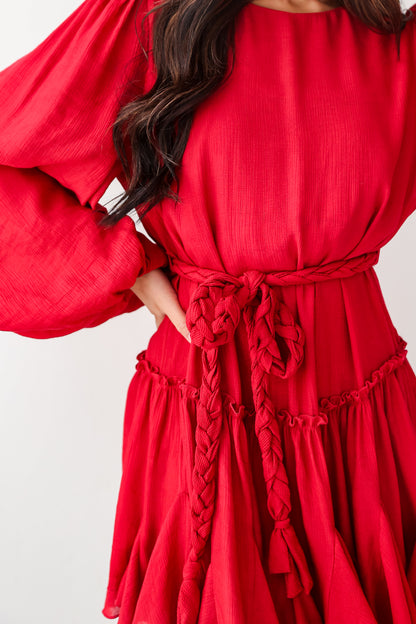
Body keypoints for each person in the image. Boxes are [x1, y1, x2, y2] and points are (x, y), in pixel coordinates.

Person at [1, 0, 416, 622]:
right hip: (205, 395)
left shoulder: (396, 47)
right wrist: (131, 271)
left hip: (360, 411)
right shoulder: (150, 17)